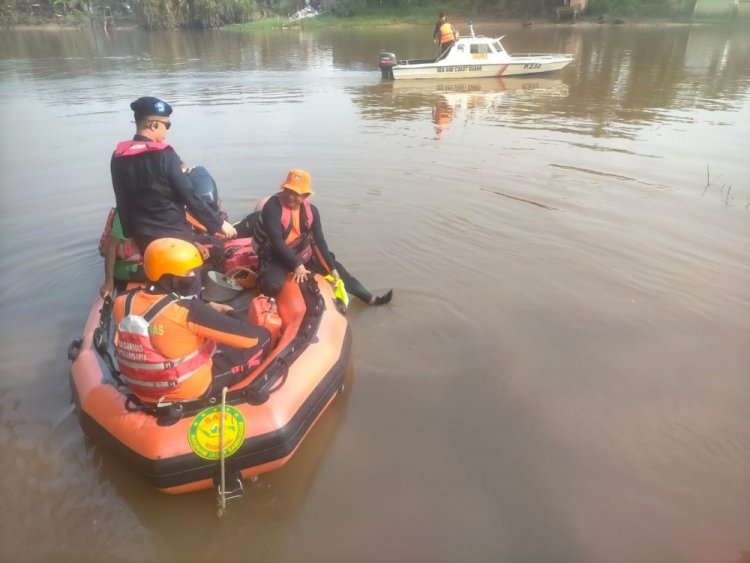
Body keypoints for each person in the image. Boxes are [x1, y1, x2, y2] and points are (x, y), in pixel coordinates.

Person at [113, 238, 270, 404]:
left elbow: (156, 333)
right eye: (188, 273)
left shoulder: (122, 302)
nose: (193, 277)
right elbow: (250, 339)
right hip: (188, 390)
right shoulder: (188, 311)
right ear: (169, 277)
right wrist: (227, 311)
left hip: (141, 389)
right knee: (263, 336)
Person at [110, 96, 237, 254]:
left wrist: (131, 235)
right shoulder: (164, 154)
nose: (167, 131)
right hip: (173, 236)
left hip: (143, 238)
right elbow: (189, 195)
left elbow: (122, 200)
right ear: (154, 125)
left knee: (157, 276)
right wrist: (219, 223)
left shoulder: (118, 156)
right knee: (197, 268)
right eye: (167, 125)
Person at [252, 169, 392, 306]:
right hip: (274, 254)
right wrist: (297, 265)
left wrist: (331, 268)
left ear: (306, 195)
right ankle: (265, 294)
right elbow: (276, 241)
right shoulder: (272, 207)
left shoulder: (312, 211)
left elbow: (319, 241)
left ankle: (370, 299)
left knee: (339, 271)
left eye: (296, 193)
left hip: (299, 250)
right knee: (273, 286)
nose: (290, 196)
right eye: (288, 191)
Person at [99, 208, 145, 298]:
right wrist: (109, 282)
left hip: (138, 262)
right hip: (125, 267)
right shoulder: (126, 215)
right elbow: (111, 247)